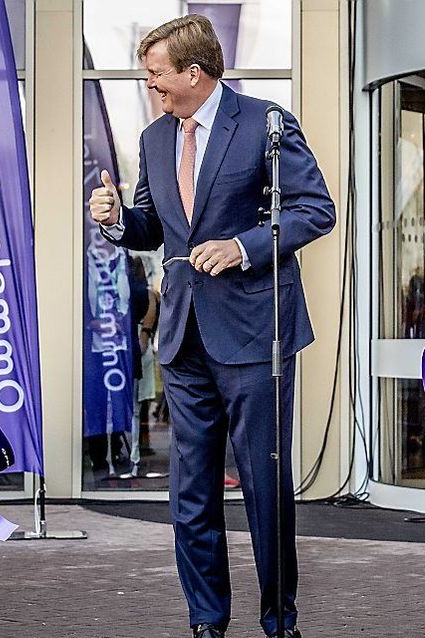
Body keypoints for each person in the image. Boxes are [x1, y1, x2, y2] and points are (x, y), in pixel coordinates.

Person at [88, 15, 335, 638]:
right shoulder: (152, 139)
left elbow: (315, 210)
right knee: (190, 494)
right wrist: (117, 220)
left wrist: (243, 247)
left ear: (194, 73)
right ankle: (207, 622)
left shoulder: (266, 123)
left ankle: (280, 618)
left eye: (157, 75)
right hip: (183, 337)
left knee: (263, 484)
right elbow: (154, 226)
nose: (151, 88)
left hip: (256, 334)